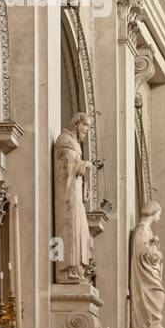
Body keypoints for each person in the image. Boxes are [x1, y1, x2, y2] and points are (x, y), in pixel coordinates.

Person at [54, 113, 94, 282]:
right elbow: (66, 169)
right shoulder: (65, 141)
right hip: (67, 196)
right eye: (85, 125)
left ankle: (77, 269)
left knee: (81, 231)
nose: (86, 130)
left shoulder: (75, 145)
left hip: (75, 193)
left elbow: (76, 173)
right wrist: (85, 164)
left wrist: (85, 186)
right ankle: (66, 269)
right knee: (70, 230)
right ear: (77, 124)